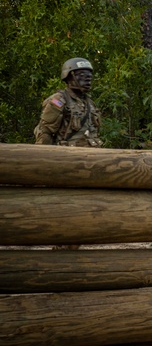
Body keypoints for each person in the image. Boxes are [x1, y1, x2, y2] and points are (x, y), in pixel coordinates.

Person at [35, 57, 103, 250]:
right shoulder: (58, 101)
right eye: (83, 75)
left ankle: (71, 246)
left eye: (90, 76)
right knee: (69, 211)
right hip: (67, 164)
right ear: (70, 76)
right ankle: (63, 249)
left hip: (90, 164)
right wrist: (41, 165)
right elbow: (45, 133)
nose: (88, 79)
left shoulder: (89, 103)